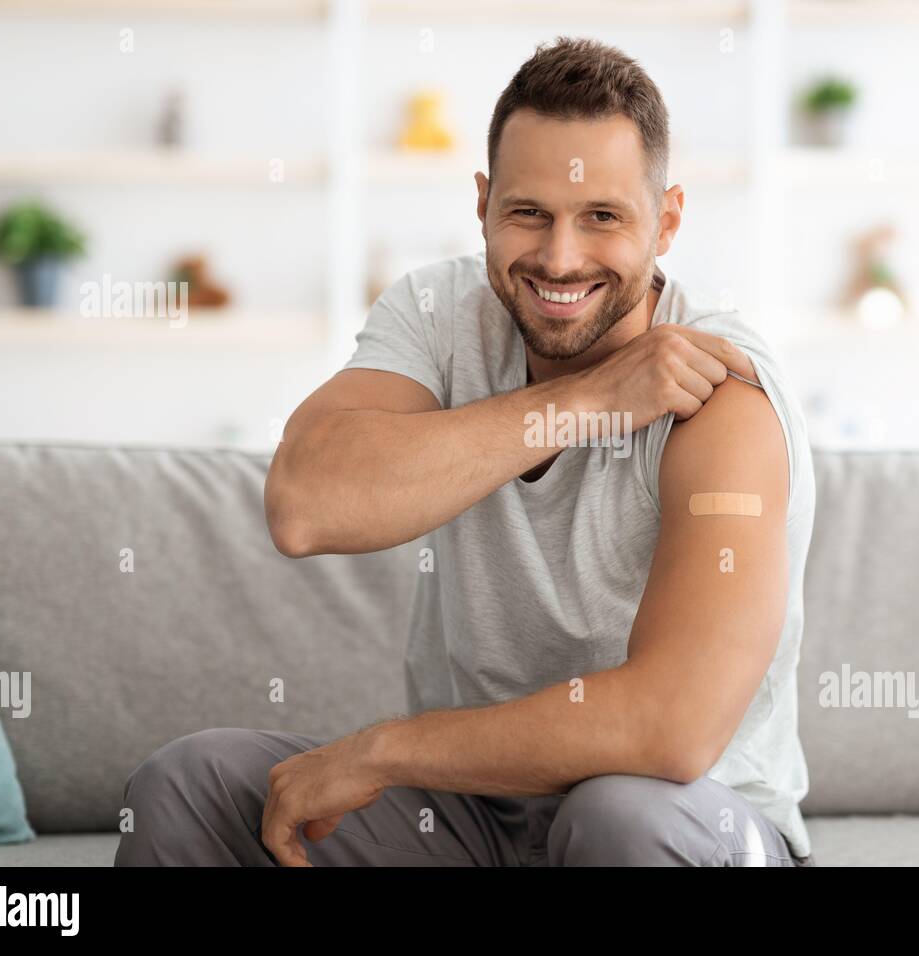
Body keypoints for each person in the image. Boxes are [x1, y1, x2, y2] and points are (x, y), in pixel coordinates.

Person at [115, 36, 815, 868]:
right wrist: (581, 401)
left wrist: (380, 752)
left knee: (619, 818)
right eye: (529, 213)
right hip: (473, 819)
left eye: (602, 217)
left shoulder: (722, 390)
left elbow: (673, 729)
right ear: (482, 205)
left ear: (665, 222)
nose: (560, 258)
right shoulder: (442, 315)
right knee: (189, 785)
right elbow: (304, 505)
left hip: (693, 819)